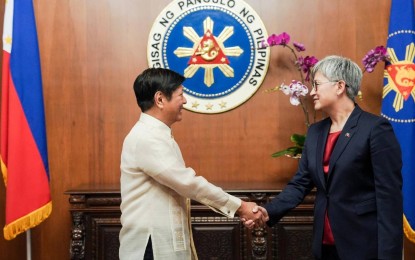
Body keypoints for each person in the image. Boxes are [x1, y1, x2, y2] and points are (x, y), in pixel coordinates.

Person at [245, 55, 403, 259]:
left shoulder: (375, 129)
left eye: (317, 85)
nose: (312, 92)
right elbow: (299, 184)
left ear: (339, 86)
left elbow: (389, 198)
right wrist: (268, 211)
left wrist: (389, 255)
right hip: (324, 245)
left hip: (363, 245)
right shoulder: (316, 132)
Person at [119, 67, 267, 260]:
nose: (185, 101)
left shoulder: (155, 134)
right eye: (180, 95)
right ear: (160, 99)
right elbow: (188, 183)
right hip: (151, 245)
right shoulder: (147, 138)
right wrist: (240, 207)